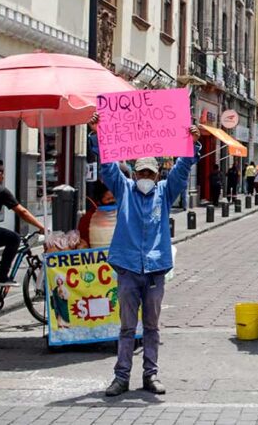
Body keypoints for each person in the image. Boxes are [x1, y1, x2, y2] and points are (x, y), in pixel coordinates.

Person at [90, 114, 200, 397]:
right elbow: (107, 167)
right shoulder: (124, 189)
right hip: (127, 269)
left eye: (151, 173)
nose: (146, 178)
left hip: (154, 271)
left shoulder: (165, 191)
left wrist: (191, 143)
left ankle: (150, 375)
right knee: (127, 327)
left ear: (157, 175)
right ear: (135, 174)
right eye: (142, 173)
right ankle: (121, 377)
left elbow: (182, 168)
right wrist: (98, 133)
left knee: (151, 326)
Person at [0, 160, 46, 287]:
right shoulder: (0, 190)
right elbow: (22, 212)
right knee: (14, 238)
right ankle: (1, 276)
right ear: (0, 174)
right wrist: (41, 227)